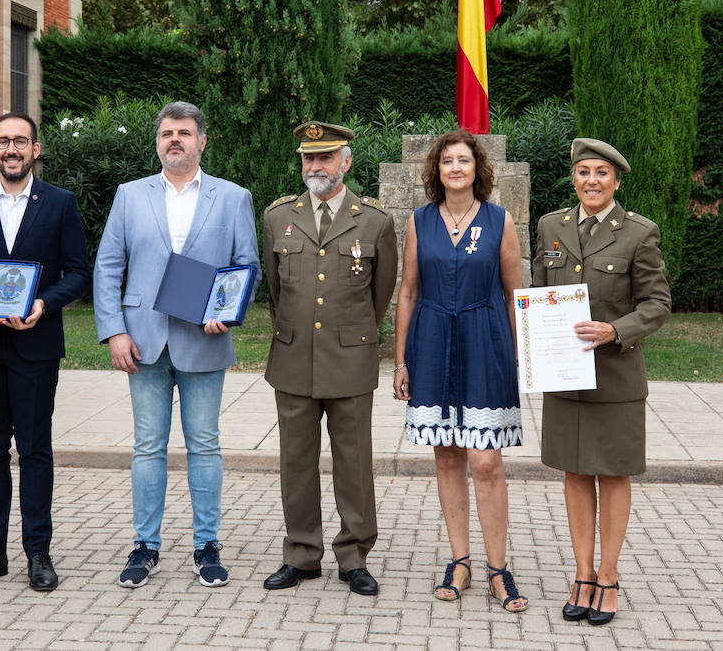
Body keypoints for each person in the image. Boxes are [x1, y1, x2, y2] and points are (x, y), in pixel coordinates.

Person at [94, 101, 260, 589]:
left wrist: (227, 314)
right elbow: (107, 267)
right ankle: (145, 546)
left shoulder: (233, 198)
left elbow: (246, 266)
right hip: (142, 341)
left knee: (204, 445)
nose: (175, 140)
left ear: (201, 141)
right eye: (167, 133)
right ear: (159, 141)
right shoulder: (130, 195)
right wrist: (114, 330)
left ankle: (207, 544)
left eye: (184, 132)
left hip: (202, 341)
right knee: (148, 447)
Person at [0, 113, 90, 592]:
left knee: (34, 450)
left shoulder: (60, 203)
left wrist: (45, 304)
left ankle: (38, 553)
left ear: (35, 150)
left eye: (20, 141)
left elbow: (78, 272)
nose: (11, 149)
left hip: (35, 345)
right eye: (3, 141)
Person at [534, 138, 671, 626]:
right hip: (565, 374)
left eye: (601, 174)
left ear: (616, 181)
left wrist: (616, 330)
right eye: (583, 172)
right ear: (573, 178)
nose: (591, 181)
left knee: (612, 474)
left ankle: (609, 577)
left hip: (614, 376)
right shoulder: (551, 226)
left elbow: (657, 304)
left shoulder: (638, 233)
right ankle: (582, 574)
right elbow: (539, 291)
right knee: (574, 472)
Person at [392, 129, 528, 611]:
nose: (455, 168)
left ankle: (498, 568)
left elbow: (514, 294)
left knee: (485, 460)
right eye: (447, 161)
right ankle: (460, 561)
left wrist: (520, 357)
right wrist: (401, 359)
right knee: (447, 454)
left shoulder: (499, 220)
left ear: (477, 169)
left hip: (484, 341)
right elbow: (408, 292)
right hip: (431, 342)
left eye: (463, 160)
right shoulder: (418, 221)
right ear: (437, 170)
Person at [262, 121, 398, 597]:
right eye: (308, 158)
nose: (314, 167)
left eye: (325, 157)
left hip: (350, 359)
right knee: (295, 461)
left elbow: (380, 297)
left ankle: (354, 555)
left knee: (354, 462)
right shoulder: (279, 217)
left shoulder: (375, 221)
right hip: (294, 357)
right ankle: (301, 555)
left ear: (347, 161)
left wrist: (352, 333)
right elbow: (276, 290)